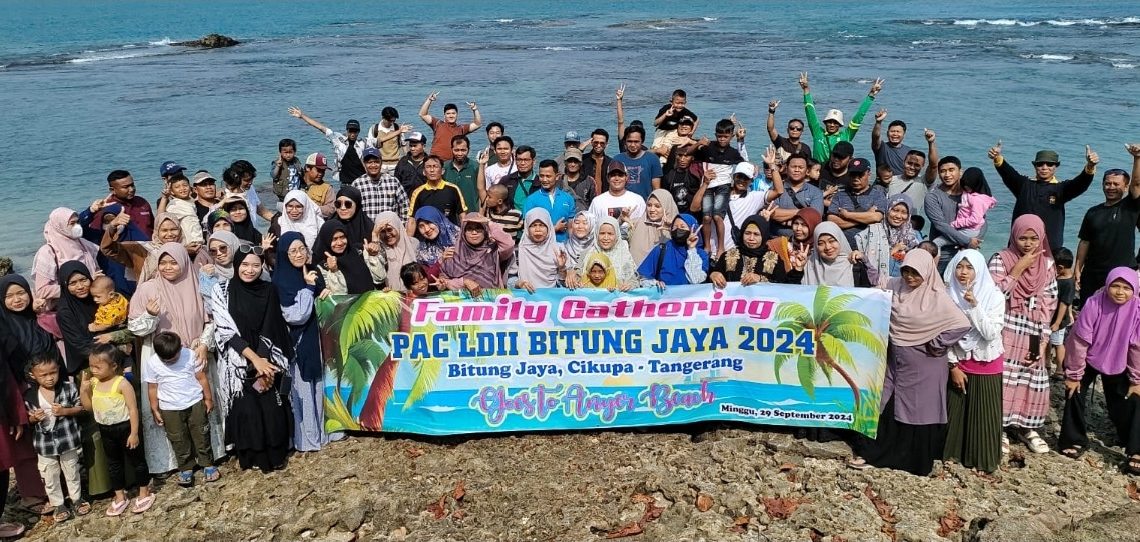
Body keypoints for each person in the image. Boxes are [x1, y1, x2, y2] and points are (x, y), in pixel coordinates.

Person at [850, 249, 970, 475]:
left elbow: (961, 323)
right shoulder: (896, 286)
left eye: (915, 273)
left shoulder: (937, 296)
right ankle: (879, 455)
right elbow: (877, 284)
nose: (910, 277)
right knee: (888, 405)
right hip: (897, 361)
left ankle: (913, 462)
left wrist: (936, 344)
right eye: (906, 271)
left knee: (917, 412)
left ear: (927, 272)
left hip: (925, 365)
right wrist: (865, 259)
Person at [127, 243, 220, 473]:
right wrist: (150, 315)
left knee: (200, 411)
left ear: (184, 262)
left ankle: (210, 456)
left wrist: (204, 343)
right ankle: (176, 463)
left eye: (173, 262)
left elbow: (213, 318)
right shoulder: (148, 289)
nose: (168, 267)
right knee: (171, 413)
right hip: (163, 360)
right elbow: (135, 329)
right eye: (163, 262)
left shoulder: (197, 284)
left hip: (195, 355)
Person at [209, 248, 292, 472]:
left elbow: (272, 325)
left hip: (267, 356)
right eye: (244, 265)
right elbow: (226, 331)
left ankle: (275, 455)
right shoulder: (222, 290)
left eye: (256, 265)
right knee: (247, 409)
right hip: (238, 360)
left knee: (270, 407)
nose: (250, 270)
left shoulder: (268, 289)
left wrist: (264, 362)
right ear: (236, 265)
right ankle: (251, 456)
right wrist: (254, 360)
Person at [1059, 268, 1140, 473]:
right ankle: (1073, 438)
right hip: (1087, 355)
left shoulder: (1137, 309)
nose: (1120, 292)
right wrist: (1074, 374)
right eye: (1115, 286)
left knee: (1132, 398)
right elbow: (1080, 340)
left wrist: (1136, 378)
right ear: (1107, 285)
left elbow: (1136, 347)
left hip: (1120, 358)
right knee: (1074, 391)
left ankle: (1135, 449)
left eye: (1126, 288)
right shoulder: (1094, 303)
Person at [988, 215, 1057, 455]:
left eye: (1034, 239)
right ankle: (1000, 427)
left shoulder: (1047, 265)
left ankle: (1026, 426)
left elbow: (1049, 304)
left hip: (1033, 328)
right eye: (1023, 238)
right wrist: (1017, 269)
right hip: (1006, 326)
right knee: (1006, 376)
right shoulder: (1001, 259)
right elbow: (994, 296)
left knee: (1031, 375)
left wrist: (1044, 340)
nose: (1028, 244)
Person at [942, 249, 1007, 474]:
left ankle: (982, 460)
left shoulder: (994, 296)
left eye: (969, 268)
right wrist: (952, 366)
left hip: (986, 362)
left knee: (983, 416)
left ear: (979, 270)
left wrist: (974, 305)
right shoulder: (949, 295)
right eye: (960, 266)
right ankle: (952, 456)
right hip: (958, 361)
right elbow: (944, 335)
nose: (963, 272)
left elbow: (991, 334)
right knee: (955, 416)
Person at [274, 232, 338, 452]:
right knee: (303, 390)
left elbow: (321, 298)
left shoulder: (313, 272)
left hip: (316, 338)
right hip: (298, 342)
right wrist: (309, 288)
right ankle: (308, 438)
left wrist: (322, 290)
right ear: (284, 253)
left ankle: (325, 431)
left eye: (302, 248)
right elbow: (295, 315)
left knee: (319, 384)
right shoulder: (281, 280)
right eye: (293, 250)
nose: (299, 254)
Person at [80, 344, 154, 515]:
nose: (94, 370)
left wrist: (134, 433)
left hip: (125, 427)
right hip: (105, 429)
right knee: (113, 464)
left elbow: (133, 409)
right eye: (91, 366)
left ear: (113, 366)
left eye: (98, 367)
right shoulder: (93, 383)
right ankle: (120, 495)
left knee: (137, 461)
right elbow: (89, 408)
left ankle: (144, 491)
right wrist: (84, 391)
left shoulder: (122, 383)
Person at [988, 142, 1099, 253]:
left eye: (1049, 164)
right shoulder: (1023, 185)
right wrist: (997, 157)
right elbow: (1007, 173)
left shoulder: (1061, 189)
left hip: (1049, 249)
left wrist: (1090, 166)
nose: (1044, 168)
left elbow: (1080, 183)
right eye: (1040, 164)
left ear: (1056, 167)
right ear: (1035, 166)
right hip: (1019, 246)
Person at [143, 331, 219, 487]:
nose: (171, 361)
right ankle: (185, 467)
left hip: (194, 401)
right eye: (167, 360)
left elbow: (201, 378)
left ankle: (207, 464)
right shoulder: (152, 363)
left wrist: (208, 399)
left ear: (180, 348)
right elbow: (152, 387)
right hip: (169, 407)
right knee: (177, 438)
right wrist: (154, 408)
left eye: (175, 358)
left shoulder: (190, 355)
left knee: (201, 432)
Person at [24, 353, 88, 521]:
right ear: (33, 375)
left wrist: (65, 411)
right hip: (44, 445)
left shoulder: (69, 388)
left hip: (68, 439)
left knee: (72, 469)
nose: (49, 378)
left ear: (58, 369)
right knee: (50, 474)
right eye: (43, 375)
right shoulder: (30, 396)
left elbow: (81, 408)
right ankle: (58, 503)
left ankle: (76, 499)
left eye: (53, 372)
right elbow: (27, 419)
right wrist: (33, 418)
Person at [1074, 147, 1140, 304]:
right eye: (1107, 183)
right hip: (1092, 273)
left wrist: (1137, 158)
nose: (1111, 187)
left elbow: (1137, 184)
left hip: (1121, 273)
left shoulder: (1130, 207)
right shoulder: (1093, 212)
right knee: (1088, 310)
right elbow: (1084, 242)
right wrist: (1077, 269)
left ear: (1125, 187)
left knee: (1117, 312)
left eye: (1116, 184)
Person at [55, 263, 132, 377]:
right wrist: (111, 355)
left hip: (121, 357)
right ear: (64, 285)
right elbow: (80, 347)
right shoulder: (65, 312)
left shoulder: (103, 298)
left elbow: (132, 329)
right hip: (90, 365)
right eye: (73, 283)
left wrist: (112, 337)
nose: (80, 286)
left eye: (83, 279)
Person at [799, 72, 882, 163]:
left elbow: (859, 116)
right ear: (825, 122)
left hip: (837, 173)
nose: (832, 124)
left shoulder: (846, 135)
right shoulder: (817, 133)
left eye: (835, 122)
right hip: (819, 173)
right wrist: (806, 90)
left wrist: (871, 96)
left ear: (840, 125)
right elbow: (810, 112)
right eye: (829, 122)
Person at [33, 207, 102, 312]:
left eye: (78, 222)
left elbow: (96, 271)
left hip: (91, 301)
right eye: (72, 223)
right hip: (66, 307)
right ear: (60, 226)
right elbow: (42, 290)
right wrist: (76, 288)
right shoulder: (48, 252)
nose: (77, 226)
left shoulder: (84, 244)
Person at [926, 156, 982, 272]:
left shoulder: (970, 194)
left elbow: (982, 219)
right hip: (943, 255)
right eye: (942, 171)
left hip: (967, 254)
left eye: (951, 170)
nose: (947, 175)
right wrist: (967, 241)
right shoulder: (932, 197)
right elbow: (941, 225)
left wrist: (977, 239)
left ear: (960, 172)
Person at [851, 194, 921, 286]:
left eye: (904, 212)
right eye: (895, 210)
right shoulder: (873, 230)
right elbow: (867, 262)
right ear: (888, 210)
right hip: (877, 286)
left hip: (905, 287)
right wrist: (893, 251)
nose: (898, 216)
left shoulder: (914, 237)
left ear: (909, 215)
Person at [438, 213, 515, 295]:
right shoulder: (453, 254)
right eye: (469, 229)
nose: (474, 232)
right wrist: (464, 282)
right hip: (464, 303)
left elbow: (509, 244)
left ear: (485, 230)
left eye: (479, 228)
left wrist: (489, 223)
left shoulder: (493, 250)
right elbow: (443, 282)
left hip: (491, 301)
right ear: (463, 232)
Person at [288, 107, 368, 184]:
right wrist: (302, 116)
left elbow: (378, 141)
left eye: (355, 131)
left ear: (358, 132)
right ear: (347, 130)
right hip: (345, 182)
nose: (353, 134)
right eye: (351, 131)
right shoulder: (338, 139)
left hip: (361, 181)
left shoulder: (363, 143)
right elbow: (321, 127)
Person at [709, 215, 792, 287]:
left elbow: (782, 287)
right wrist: (713, 275)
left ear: (764, 236)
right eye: (747, 233)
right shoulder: (728, 256)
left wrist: (760, 279)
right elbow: (710, 284)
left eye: (756, 234)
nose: (751, 238)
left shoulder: (774, 259)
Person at [827, 157, 887, 247]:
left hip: (871, 247)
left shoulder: (878, 195)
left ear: (869, 174)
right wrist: (866, 217)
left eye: (860, 175)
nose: (856, 178)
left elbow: (876, 217)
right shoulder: (839, 195)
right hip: (843, 246)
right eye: (852, 175)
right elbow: (832, 220)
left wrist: (847, 215)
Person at [636, 214, 709, 287]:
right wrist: (654, 283)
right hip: (665, 297)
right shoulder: (662, 249)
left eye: (682, 227)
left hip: (690, 297)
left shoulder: (701, 254)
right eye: (674, 227)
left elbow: (696, 280)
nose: (678, 230)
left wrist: (691, 249)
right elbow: (642, 278)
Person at [933, 168, 997, 249]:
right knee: (963, 250)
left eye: (969, 186)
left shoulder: (977, 200)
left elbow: (975, 219)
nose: (966, 188)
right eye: (964, 185)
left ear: (976, 184)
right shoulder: (972, 193)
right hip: (967, 229)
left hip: (969, 230)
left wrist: (955, 224)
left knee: (936, 243)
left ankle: (931, 262)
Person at [569, 217, 639, 291]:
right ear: (596, 234)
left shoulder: (624, 255)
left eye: (610, 234)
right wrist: (571, 275)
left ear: (617, 235)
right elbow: (576, 278)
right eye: (602, 233)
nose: (606, 238)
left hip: (617, 299)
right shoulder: (586, 254)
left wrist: (629, 286)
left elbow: (634, 281)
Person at [316, 224, 387, 295]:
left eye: (342, 237)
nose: (340, 243)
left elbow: (379, 279)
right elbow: (339, 296)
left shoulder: (359, 251)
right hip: (350, 306)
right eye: (334, 239)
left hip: (372, 301)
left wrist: (373, 256)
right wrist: (334, 271)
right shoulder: (324, 267)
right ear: (326, 240)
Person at [509, 209, 566, 293]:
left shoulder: (558, 250)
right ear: (527, 228)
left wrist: (562, 268)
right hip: (527, 301)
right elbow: (510, 280)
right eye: (533, 225)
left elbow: (563, 285)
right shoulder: (518, 252)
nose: (537, 229)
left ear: (549, 227)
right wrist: (519, 283)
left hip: (552, 302)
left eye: (542, 225)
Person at [769, 154, 825, 239]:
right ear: (786, 169)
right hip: (777, 238)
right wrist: (804, 211)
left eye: (801, 167)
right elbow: (773, 214)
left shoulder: (816, 192)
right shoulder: (775, 189)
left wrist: (784, 219)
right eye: (793, 167)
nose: (797, 170)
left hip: (805, 241)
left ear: (807, 171)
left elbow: (814, 218)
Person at [311, 186, 374, 258]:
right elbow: (318, 254)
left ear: (357, 205)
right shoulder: (329, 226)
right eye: (338, 204)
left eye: (348, 204)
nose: (342, 208)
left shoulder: (368, 227)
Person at [523, 160, 576, 243]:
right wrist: (555, 228)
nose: (544, 180)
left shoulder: (568, 198)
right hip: (540, 248)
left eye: (548, 176)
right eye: (541, 176)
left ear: (557, 176)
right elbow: (528, 231)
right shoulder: (531, 200)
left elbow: (571, 228)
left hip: (563, 247)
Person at [352, 147, 410, 223]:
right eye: (369, 162)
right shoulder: (357, 184)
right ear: (364, 164)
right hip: (367, 231)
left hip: (389, 229)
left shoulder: (393, 181)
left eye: (376, 162)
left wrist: (402, 225)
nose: (373, 165)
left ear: (381, 162)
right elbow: (351, 209)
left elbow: (405, 205)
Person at [418, 92, 481, 160]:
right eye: (448, 114)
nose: (451, 116)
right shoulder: (437, 124)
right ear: (444, 115)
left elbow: (477, 124)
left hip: (451, 164)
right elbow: (422, 114)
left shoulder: (461, 129)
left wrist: (475, 110)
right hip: (435, 161)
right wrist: (429, 100)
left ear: (457, 114)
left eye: (453, 113)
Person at [408, 155, 467, 225]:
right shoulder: (418, 192)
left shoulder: (453, 189)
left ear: (442, 171)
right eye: (428, 167)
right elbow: (412, 220)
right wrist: (408, 236)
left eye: (435, 166)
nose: (432, 170)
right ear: (424, 172)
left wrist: (463, 234)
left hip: (450, 233)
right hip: (427, 232)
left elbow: (462, 215)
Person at [626, 189, 680, 266]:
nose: (652, 210)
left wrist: (673, 229)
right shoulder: (635, 223)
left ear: (667, 207)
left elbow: (686, 247)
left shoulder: (676, 226)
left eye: (657, 206)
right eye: (649, 205)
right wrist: (621, 221)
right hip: (636, 275)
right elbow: (614, 237)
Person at [612, 124, 663, 199]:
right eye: (629, 141)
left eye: (636, 142)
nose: (633, 145)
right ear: (625, 142)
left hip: (645, 205)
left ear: (642, 141)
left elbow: (656, 188)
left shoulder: (653, 159)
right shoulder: (617, 159)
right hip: (622, 204)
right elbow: (612, 186)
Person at [100, 170, 155, 237]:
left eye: (132, 185)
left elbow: (154, 226)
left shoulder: (142, 202)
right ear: (112, 190)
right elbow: (105, 235)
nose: (131, 189)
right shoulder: (108, 208)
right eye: (126, 187)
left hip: (151, 245)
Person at [374, 211, 420, 292]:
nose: (387, 234)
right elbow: (377, 277)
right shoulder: (377, 250)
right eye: (382, 231)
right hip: (389, 298)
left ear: (398, 226)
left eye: (389, 229)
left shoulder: (414, 244)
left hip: (415, 296)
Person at [412, 206, 460, 279]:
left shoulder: (460, 237)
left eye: (429, 222)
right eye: (421, 226)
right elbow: (426, 279)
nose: (427, 229)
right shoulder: (422, 251)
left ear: (437, 219)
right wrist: (441, 261)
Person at [1049, 248, 1076, 378]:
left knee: (1058, 343)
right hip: (1052, 317)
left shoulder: (1067, 283)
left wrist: (1058, 322)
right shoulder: (1061, 278)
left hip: (1058, 319)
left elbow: (1065, 303)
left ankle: (1059, 368)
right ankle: (1047, 364)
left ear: (1060, 267)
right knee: (1048, 341)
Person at [802, 222, 855, 287]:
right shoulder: (810, 264)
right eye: (821, 243)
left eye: (831, 241)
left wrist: (864, 260)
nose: (827, 247)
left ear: (840, 240)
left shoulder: (853, 263)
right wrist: (798, 270)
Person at [158, 173, 205, 244]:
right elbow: (160, 217)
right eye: (177, 187)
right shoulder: (175, 204)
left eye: (185, 185)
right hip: (189, 243)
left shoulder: (191, 201)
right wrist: (165, 197)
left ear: (190, 187)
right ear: (172, 192)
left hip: (199, 240)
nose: (182, 189)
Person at [366, 106, 408, 173]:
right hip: (380, 165)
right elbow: (370, 146)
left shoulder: (397, 128)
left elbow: (403, 144)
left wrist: (407, 159)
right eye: (389, 121)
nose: (391, 123)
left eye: (393, 121)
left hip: (395, 164)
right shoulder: (375, 129)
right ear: (383, 118)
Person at [870, 111, 912, 176]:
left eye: (898, 132)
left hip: (902, 183)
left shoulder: (909, 151)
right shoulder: (881, 147)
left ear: (904, 134)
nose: (895, 134)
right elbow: (875, 137)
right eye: (892, 131)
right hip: (883, 183)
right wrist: (878, 122)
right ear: (887, 133)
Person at [500, 145, 540, 213]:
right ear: (515, 161)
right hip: (511, 220)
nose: (522, 163)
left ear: (534, 161)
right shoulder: (506, 180)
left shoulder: (540, 183)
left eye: (526, 160)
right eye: (519, 160)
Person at [444, 135, 480, 209]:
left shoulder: (476, 167)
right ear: (451, 149)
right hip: (450, 212)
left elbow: (482, 191)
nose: (460, 154)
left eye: (463, 150)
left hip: (471, 211)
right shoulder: (444, 167)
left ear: (468, 150)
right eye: (456, 150)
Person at [559, 148, 596, 213]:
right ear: (565, 162)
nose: (573, 164)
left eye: (576, 161)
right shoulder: (558, 181)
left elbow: (594, 203)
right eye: (570, 161)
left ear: (581, 163)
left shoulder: (589, 181)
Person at [300, 153, 336, 218]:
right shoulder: (296, 182)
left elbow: (331, 209)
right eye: (318, 170)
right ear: (308, 168)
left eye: (323, 171)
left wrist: (311, 209)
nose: (321, 174)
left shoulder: (327, 188)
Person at [561, 211, 597, 275]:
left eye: (585, 223)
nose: (580, 226)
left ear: (592, 225)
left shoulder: (597, 249)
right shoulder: (563, 248)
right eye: (577, 222)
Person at [394, 131, 428, 196]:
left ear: (424, 146)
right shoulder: (403, 162)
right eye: (410, 146)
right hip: (406, 199)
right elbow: (396, 182)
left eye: (415, 146)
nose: (412, 148)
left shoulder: (429, 162)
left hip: (425, 199)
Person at [582, 128, 614, 197]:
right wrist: (580, 149)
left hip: (605, 199)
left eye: (602, 143)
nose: (598, 145)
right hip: (586, 200)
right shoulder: (582, 160)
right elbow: (568, 163)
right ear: (591, 142)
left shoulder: (611, 163)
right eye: (596, 142)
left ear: (606, 144)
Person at [270, 138, 302, 205]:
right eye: (285, 152)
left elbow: (300, 172)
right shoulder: (277, 163)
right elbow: (273, 175)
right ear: (280, 152)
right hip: (283, 194)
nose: (288, 155)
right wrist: (278, 166)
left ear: (295, 152)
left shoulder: (296, 161)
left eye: (290, 152)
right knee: (284, 207)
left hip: (296, 191)